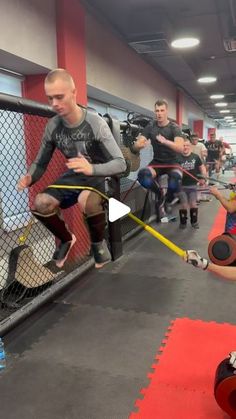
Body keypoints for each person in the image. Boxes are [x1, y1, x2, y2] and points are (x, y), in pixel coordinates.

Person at [17, 68, 126, 269]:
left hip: (102, 175)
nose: (54, 104)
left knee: (87, 200)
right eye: (50, 98)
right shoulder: (53, 126)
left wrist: (91, 169)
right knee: (41, 202)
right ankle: (67, 239)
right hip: (76, 176)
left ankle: (98, 244)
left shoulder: (95, 123)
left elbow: (120, 163)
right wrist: (29, 178)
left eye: (59, 97)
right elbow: (41, 162)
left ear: (74, 93)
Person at [134, 99, 184, 220]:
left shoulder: (174, 127)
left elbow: (180, 148)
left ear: (167, 111)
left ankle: (168, 200)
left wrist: (165, 141)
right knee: (143, 176)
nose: (159, 113)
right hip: (157, 162)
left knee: (175, 180)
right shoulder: (151, 126)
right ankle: (160, 194)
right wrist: (139, 144)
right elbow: (138, 143)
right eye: (157, 111)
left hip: (173, 162)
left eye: (162, 110)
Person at [177, 138, 207, 229]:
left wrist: (203, 178)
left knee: (193, 204)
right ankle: (183, 222)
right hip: (181, 185)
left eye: (187, 145)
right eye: (183, 145)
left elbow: (202, 168)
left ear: (190, 146)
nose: (185, 147)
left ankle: (194, 222)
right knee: (184, 204)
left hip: (193, 185)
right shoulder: (177, 158)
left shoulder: (195, 157)